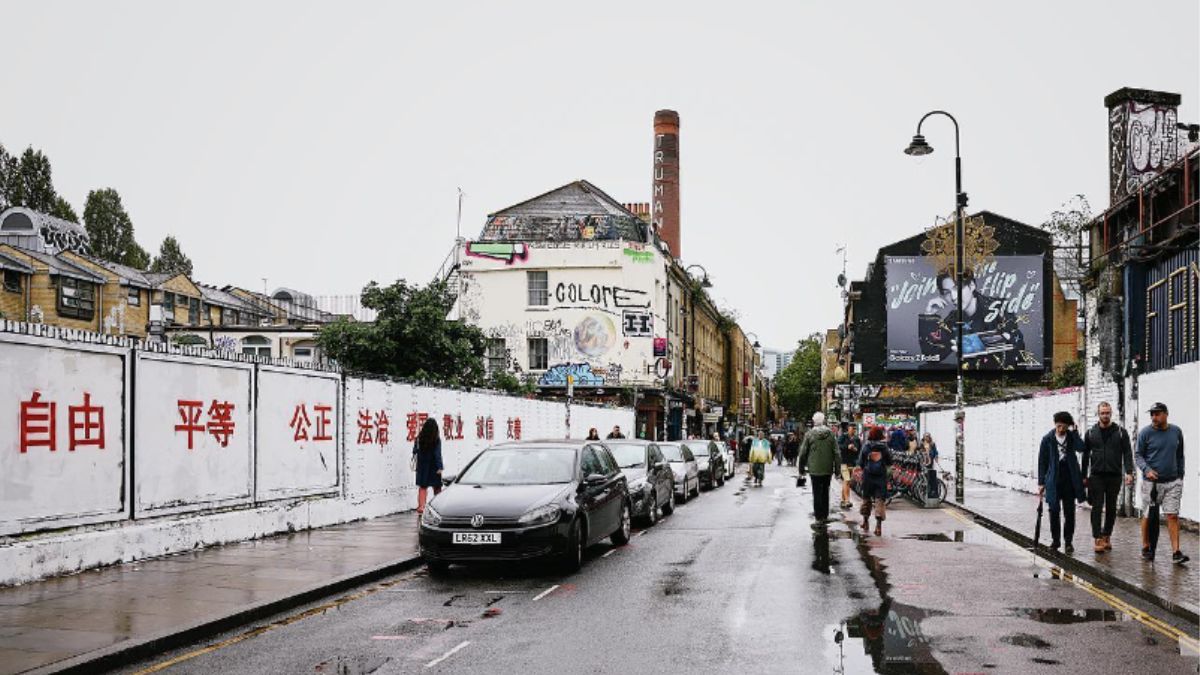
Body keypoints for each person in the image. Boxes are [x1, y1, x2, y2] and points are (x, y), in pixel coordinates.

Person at [918, 269, 1027, 370]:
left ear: (972, 286)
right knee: (925, 368)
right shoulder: (953, 318)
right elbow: (933, 356)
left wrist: (968, 345)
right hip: (971, 374)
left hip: (1003, 373)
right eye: (947, 292)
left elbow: (1013, 340)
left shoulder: (999, 306)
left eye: (958, 288)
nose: (953, 297)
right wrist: (929, 316)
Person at [1135, 402, 1189, 565]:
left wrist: (1180, 474)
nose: (1154, 417)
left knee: (1172, 515)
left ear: (1166, 414)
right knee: (1148, 515)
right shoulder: (1145, 433)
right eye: (1152, 414)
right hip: (1151, 483)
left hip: (1172, 482)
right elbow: (1138, 455)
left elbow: (1180, 455)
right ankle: (1146, 546)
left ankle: (1176, 552)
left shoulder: (1176, 431)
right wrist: (1146, 470)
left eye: (1157, 414)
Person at [1082, 401, 1134, 553]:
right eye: (1102, 413)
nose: (1105, 415)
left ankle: (1106, 536)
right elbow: (1085, 456)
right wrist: (1083, 475)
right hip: (1096, 475)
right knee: (1097, 507)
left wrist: (1129, 472)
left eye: (1107, 413)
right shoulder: (1091, 433)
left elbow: (1127, 453)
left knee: (1111, 508)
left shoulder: (1120, 432)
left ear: (1111, 413)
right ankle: (1097, 538)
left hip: (1114, 475)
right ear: (1098, 414)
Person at [1037, 411, 1087, 553]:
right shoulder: (1047, 439)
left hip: (1069, 479)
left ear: (1068, 426)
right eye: (1058, 426)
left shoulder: (1071, 437)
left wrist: (1076, 432)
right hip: (1053, 480)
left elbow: (1081, 448)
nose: (1061, 430)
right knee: (1054, 510)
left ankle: (1069, 541)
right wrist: (1041, 483)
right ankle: (1056, 541)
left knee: (1069, 512)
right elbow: (1042, 462)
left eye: (1064, 427)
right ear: (1055, 424)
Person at [799, 412, 841, 524]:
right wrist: (837, 470)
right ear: (823, 421)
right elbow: (837, 453)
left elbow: (803, 453)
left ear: (814, 421)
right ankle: (825, 514)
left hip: (814, 469)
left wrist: (801, 469)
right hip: (827, 468)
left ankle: (818, 516)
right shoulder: (831, 434)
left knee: (816, 491)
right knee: (825, 491)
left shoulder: (809, 434)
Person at [858, 427, 892, 536]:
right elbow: (889, 461)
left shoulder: (866, 446)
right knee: (879, 501)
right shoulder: (884, 447)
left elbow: (861, 462)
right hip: (881, 477)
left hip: (868, 476)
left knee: (866, 499)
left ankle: (865, 522)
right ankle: (878, 527)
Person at [413, 418, 444, 516]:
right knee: (437, 487)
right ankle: (439, 506)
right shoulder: (436, 439)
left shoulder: (419, 438)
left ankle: (421, 507)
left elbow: (415, 451)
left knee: (423, 487)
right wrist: (440, 467)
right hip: (433, 466)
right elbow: (437, 454)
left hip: (422, 466)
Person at [838, 424, 862, 509]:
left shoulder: (857, 439)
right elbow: (838, 446)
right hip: (843, 462)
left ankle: (843, 500)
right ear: (848, 429)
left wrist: (855, 449)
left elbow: (860, 450)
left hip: (852, 463)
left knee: (847, 481)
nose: (854, 430)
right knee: (846, 480)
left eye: (855, 429)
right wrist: (847, 447)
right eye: (852, 428)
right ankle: (847, 500)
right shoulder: (843, 437)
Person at [920, 433, 940, 499]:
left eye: (928, 437)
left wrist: (936, 457)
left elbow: (935, 451)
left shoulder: (932, 444)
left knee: (930, 472)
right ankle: (924, 484)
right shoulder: (922, 443)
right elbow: (920, 450)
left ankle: (929, 485)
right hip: (924, 460)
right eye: (926, 437)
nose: (927, 438)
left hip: (930, 460)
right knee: (923, 472)